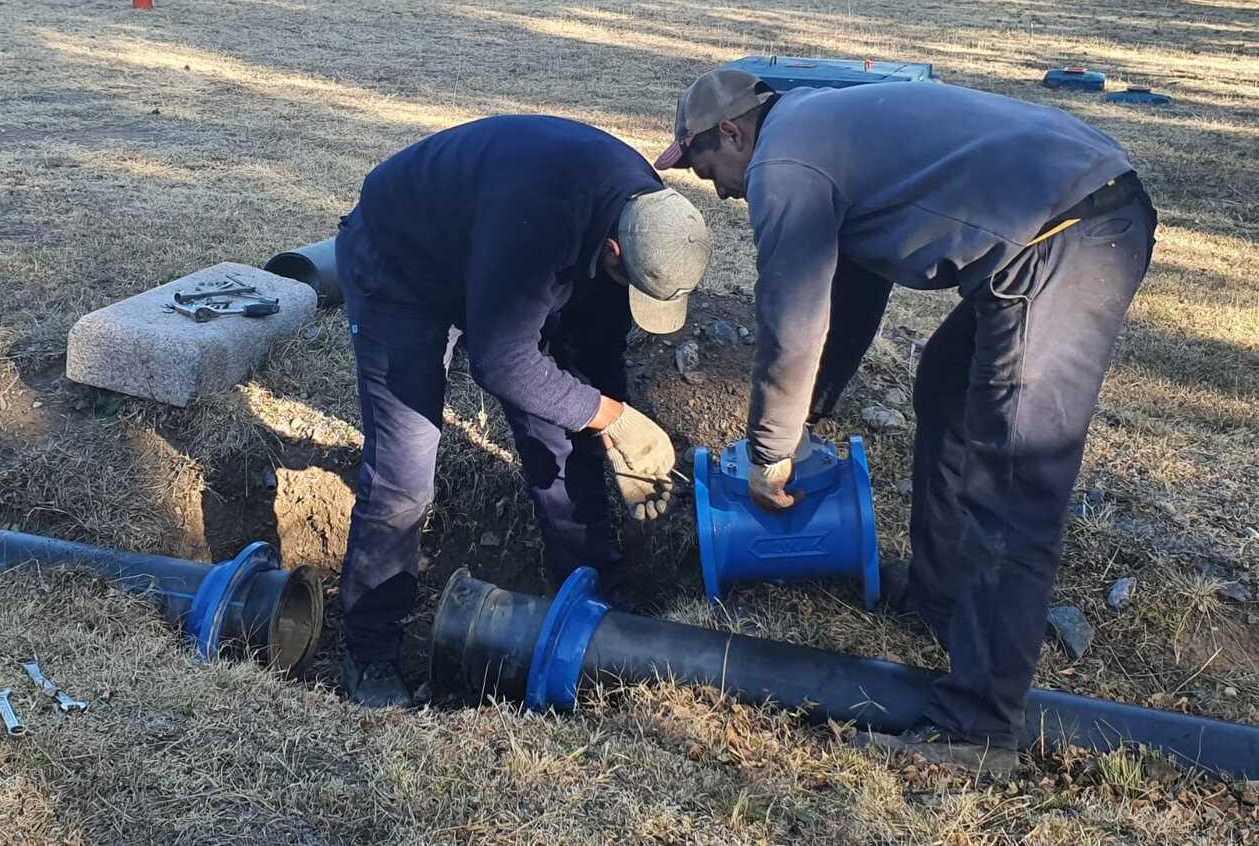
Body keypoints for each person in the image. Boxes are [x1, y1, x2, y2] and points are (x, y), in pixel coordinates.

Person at [654, 66, 1156, 777]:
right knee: (947, 389)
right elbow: (854, 293)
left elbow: (791, 321)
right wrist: (810, 414)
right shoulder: (819, 130)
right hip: (1064, 211)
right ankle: (940, 597)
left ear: (731, 132)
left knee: (1013, 481)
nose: (722, 190)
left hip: (1069, 233)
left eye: (708, 169)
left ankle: (977, 731)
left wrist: (769, 455)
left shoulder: (783, 165)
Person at [337, 115, 711, 708]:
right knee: (405, 475)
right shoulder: (540, 220)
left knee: (565, 425)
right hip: (402, 266)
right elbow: (502, 362)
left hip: (497, 262)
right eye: (628, 280)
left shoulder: (648, 213)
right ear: (613, 249)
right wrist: (611, 416)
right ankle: (370, 651)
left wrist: (614, 431)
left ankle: (590, 592)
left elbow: (598, 350)